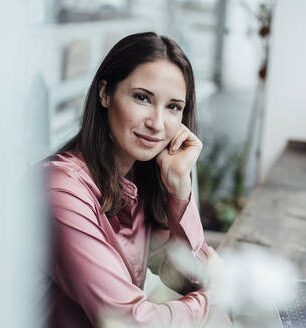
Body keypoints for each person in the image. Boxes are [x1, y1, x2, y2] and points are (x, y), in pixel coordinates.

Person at [44, 32, 231, 327]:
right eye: (142, 98)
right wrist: (216, 296)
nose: (157, 124)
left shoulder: (139, 180)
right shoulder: (61, 189)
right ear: (105, 93)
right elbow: (130, 322)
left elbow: (190, 277)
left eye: (173, 107)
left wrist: (180, 189)